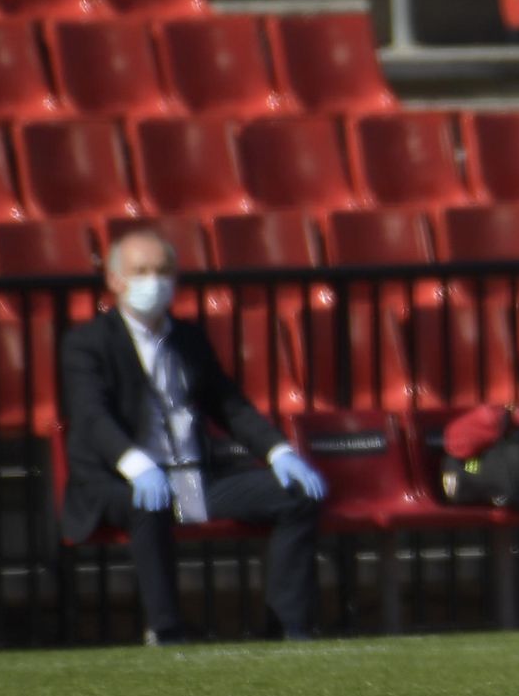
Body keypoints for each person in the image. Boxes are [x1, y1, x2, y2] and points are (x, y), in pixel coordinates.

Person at [59, 227, 329, 646]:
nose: (153, 281)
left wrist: (278, 452)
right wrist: (136, 465)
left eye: (163, 271)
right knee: (148, 504)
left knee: (296, 496)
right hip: (122, 480)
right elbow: (92, 417)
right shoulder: (87, 343)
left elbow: (229, 404)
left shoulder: (189, 338)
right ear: (114, 280)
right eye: (141, 271)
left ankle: (289, 625)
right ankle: (165, 629)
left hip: (192, 479)